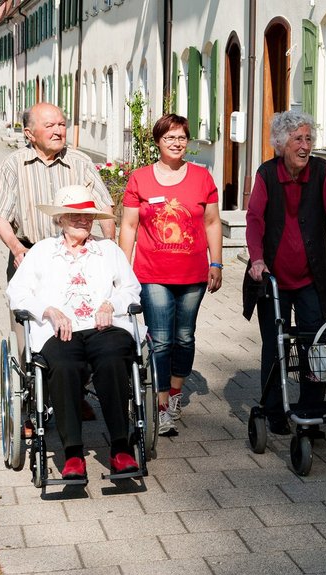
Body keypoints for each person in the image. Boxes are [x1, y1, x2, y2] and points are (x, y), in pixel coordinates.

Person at [242, 110, 326, 435]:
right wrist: (257, 260)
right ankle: (275, 412)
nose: (305, 146)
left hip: (311, 280)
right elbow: (255, 220)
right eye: (298, 139)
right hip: (271, 280)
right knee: (274, 346)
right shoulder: (266, 175)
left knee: (314, 346)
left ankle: (312, 412)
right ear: (281, 144)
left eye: (308, 139)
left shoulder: (320, 172)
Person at [0, 102, 115, 422]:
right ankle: (31, 404)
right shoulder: (13, 164)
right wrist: (17, 249)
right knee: (28, 331)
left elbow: (106, 207)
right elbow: (0, 216)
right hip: (30, 255)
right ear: (30, 134)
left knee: (83, 322)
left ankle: (73, 390)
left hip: (77, 257)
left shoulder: (80, 162)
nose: (59, 130)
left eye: (62, 123)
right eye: (50, 125)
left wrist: (109, 251)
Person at [6, 185, 142, 480]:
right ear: (60, 220)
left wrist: (112, 303)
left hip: (104, 327)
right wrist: (48, 310)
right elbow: (16, 292)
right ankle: (73, 454)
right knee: (64, 363)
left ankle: (121, 449)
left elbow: (132, 289)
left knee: (114, 357)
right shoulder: (42, 251)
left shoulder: (108, 250)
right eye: (75, 216)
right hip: (59, 331)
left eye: (88, 216)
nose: (83, 221)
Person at [119, 113, 223, 437]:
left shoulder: (202, 178)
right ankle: (161, 403)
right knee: (161, 339)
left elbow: (212, 223)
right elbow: (129, 225)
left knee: (185, 337)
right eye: (169, 138)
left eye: (181, 137)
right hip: (152, 273)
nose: (176, 143)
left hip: (193, 275)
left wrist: (216, 263)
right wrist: (122, 269)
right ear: (158, 142)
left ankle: (176, 391)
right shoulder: (140, 179)